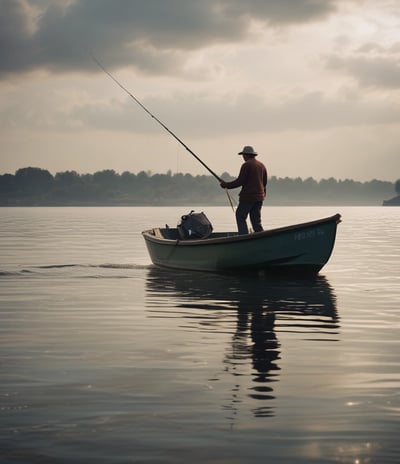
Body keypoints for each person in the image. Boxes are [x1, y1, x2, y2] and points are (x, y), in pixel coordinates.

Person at [220, 145, 267, 235]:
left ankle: (243, 236)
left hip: (248, 197)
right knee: (256, 221)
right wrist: (263, 195)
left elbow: (240, 181)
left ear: (246, 155)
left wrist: (226, 185)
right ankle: (261, 236)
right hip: (259, 198)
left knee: (240, 216)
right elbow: (264, 183)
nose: (243, 157)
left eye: (243, 155)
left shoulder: (246, 165)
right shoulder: (261, 165)